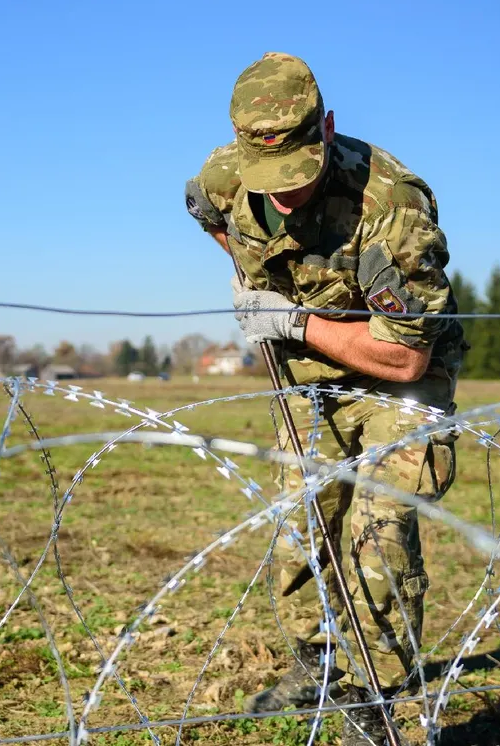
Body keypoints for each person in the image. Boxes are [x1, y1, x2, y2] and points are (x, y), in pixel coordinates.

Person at [183, 51, 467, 745]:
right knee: (300, 521)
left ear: (328, 128)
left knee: (378, 529)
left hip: (399, 373)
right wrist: (252, 279)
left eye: (298, 177)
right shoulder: (224, 180)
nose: (284, 196)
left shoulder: (392, 208)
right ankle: (315, 663)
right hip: (308, 376)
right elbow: (207, 213)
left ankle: (376, 696)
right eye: (268, 180)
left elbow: (404, 355)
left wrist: (293, 319)